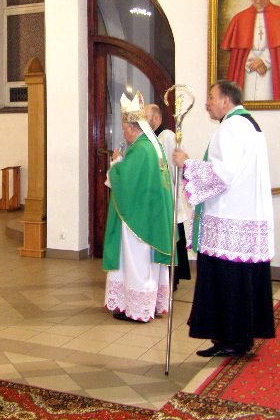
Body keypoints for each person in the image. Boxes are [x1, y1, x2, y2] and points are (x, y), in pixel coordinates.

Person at [172, 80, 275, 357]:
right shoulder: (247, 125)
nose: (207, 103)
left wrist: (187, 164)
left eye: (211, 97)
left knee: (228, 282)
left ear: (226, 101)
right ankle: (236, 338)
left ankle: (231, 339)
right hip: (241, 216)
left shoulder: (232, 128)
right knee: (239, 282)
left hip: (228, 219)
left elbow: (222, 175)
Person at [103, 92, 173, 323]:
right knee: (147, 264)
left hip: (138, 218)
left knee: (136, 262)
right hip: (152, 214)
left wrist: (115, 162)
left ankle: (138, 310)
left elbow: (124, 179)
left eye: (124, 129)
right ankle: (146, 305)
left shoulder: (141, 149)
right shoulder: (153, 145)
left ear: (132, 128)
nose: (124, 133)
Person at [145, 104, 191, 290]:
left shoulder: (168, 137)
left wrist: (170, 189)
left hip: (169, 194)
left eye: (145, 117)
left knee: (172, 236)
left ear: (156, 118)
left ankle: (173, 278)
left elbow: (175, 167)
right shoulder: (151, 138)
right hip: (157, 198)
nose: (142, 121)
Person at [221, 0, 280, 101]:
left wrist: (265, 61)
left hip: (271, 69)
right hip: (248, 70)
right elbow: (239, 52)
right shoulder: (239, 18)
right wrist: (252, 63)